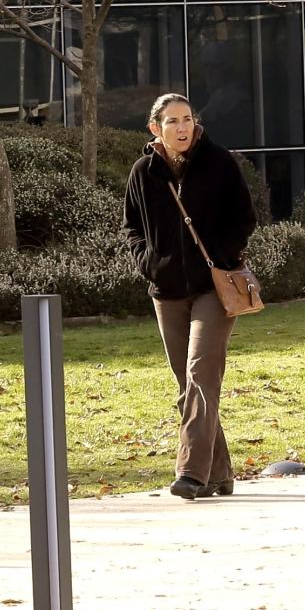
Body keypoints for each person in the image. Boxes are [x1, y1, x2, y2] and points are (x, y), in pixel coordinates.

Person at [123, 92, 257, 501]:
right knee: (188, 385)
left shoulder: (219, 162)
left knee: (200, 374)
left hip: (213, 289)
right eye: (172, 121)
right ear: (155, 129)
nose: (182, 127)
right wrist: (149, 263)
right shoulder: (143, 172)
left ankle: (191, 473)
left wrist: (222, 255)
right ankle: (221, 473)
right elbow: (130, 227)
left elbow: (244, 217)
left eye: (187, 119)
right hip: (166, 291)